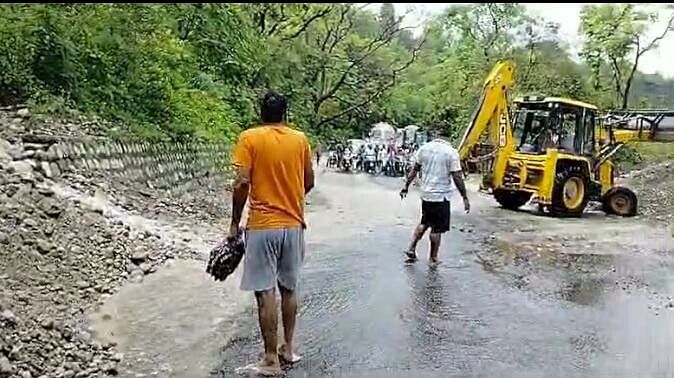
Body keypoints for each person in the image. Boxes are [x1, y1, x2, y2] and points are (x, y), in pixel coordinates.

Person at [230, 91, 315, 375]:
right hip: (293, 225)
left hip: (263, 226)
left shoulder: (249, 138)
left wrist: (234, 223)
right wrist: (290, 199)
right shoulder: (300, 140)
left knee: (265, 291)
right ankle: (288, 349)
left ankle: (270, 359)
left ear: (260, 113)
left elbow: (242, 182)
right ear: (285, 114)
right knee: (289, 288)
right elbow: (308, 181)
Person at [399, 127, 470, 265]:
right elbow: (457, 176)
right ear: (448, 137)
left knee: (424, 222)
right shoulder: (451, 152)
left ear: (436, 135)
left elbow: (414, 169)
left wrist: (406, 186)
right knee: (437, 228)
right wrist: (464, 197)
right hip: (441, 196)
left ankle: (412, 248)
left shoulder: (424, 148)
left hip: (426, 194)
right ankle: (433, 258)